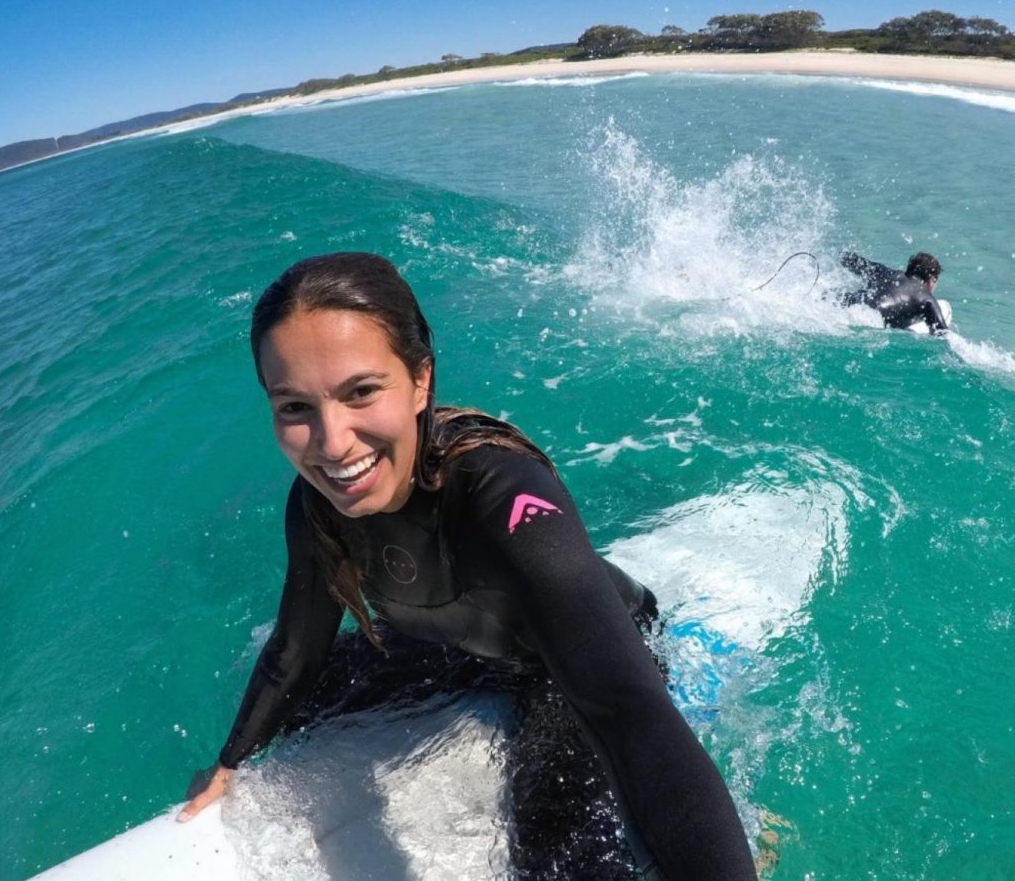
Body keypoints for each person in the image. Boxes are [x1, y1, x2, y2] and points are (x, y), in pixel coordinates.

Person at [175, 253, 755, 880]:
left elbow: (626, 713)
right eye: (294, 408)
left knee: (558, 858)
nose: (332, 441)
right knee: (303, 701)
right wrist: (232, 761)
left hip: (573, 664)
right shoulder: (317, 504)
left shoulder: (500, 493)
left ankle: (753, 835)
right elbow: (298, 648)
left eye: (361, 392)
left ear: (420, 380)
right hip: (466, 650)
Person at [839, 250, 950, 334]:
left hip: (845, 303)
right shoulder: (926, 299)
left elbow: (850, 260)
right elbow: (943, 334)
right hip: (869, 320)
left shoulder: (885, 273)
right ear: (932, 280)